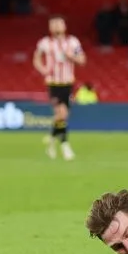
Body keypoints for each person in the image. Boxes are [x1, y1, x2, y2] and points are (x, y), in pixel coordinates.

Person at [33, 15, 86, 160]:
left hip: (68, 83)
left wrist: (71, 57)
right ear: (50, 27)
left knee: (63, 116)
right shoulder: (45, 43)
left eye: (59, 24)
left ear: (64, 26)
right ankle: (65, 146)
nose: (56, 26)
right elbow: (36, 57)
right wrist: (42, 69)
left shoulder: (73, 42)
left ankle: (51, 139)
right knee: (61, 113)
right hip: (53, 83)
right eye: (54, 24)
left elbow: (82, 59)